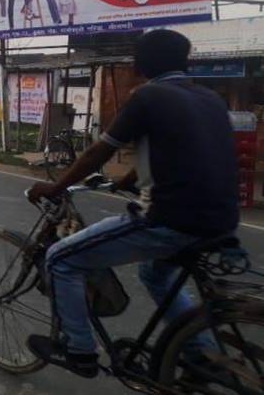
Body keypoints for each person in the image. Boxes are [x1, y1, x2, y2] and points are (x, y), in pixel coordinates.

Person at [25, 29, 238, 378]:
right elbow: (179, 152)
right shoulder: (210, 98)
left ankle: (79, 350)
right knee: (155, 273)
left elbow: (99, 152)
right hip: (222, 219)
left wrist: (56, 186)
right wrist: (127, 180)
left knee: (60, 259)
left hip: (168, 219)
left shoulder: (147, 96)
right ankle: (201, 354)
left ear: (140, 64)